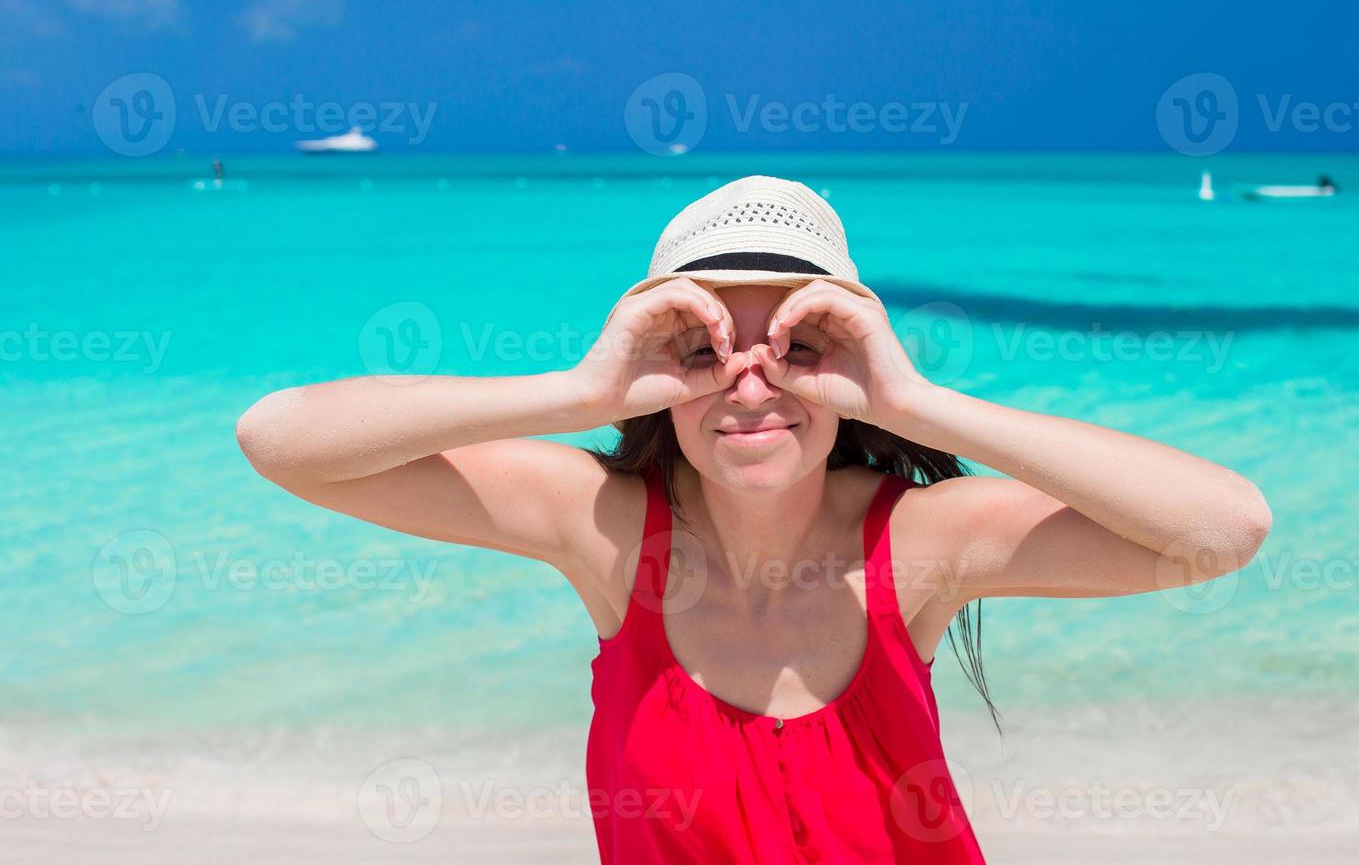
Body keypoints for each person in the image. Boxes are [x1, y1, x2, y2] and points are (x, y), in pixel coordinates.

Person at [236, 176, 1272, 863]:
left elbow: (1223, 527)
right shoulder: (606, 533)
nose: (748, 382)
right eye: (700, 347)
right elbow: (279, 437)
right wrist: (579, 390)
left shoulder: (917, 544)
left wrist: (913, 401)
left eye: (796, 344)